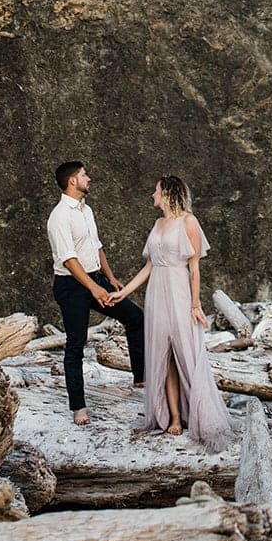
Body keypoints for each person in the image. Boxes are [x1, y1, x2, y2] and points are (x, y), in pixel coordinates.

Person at [109, 175, 235, 452]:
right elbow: (149, 266)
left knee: (187, 354)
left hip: (179, 291)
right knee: (163, 354)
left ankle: (201, 416)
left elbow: (194, 268)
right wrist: (124, 292)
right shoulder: (157, 224)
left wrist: (195, 304)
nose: (152, 194)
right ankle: (174, 417)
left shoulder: (189, 222)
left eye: (155, 190)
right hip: (157, 292)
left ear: (166, 193)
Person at [47, 160, 145, 427]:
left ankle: (140, 378)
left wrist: (110, 279)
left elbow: (97, 247)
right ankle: (78, 407)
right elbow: (69, 259)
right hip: (71, 286)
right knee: (76, 345)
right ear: (72, 182)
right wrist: (94, 288)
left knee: (136, 318)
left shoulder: (86, 210)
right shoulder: (59, 217)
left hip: (95, 278)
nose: (88, 178)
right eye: (83, 175)